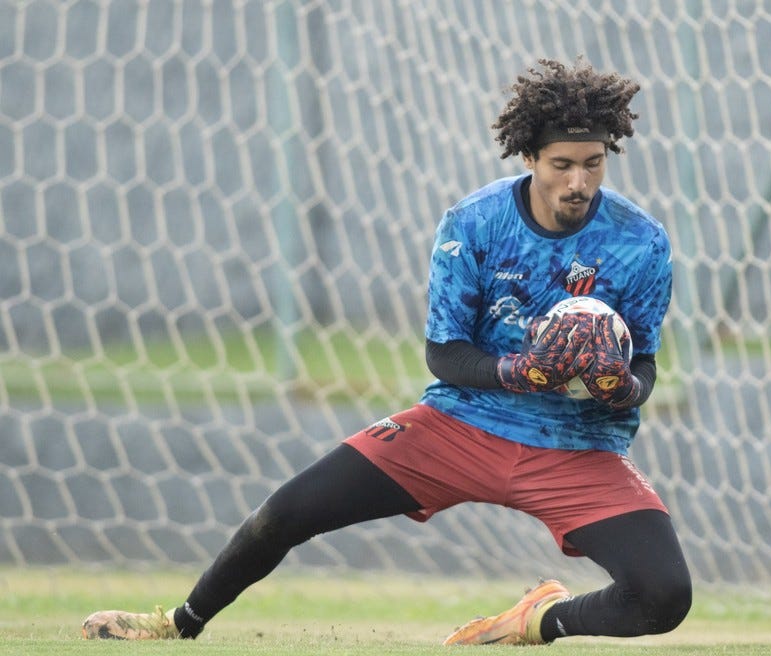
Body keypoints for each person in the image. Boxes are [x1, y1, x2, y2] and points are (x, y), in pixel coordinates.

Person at [82, 58, 691, 645]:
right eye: (561, 164)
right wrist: (517, 370)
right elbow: (444, 354)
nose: (578, 182)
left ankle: (536, 623)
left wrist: (624, 388)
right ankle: (177, 624)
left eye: (593, 163)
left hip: (574, 446)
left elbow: (644, 365)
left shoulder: (640, 243)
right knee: (288, 511)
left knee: (665, 596)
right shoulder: (474, 223)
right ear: (529, 157)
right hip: (461, 425)